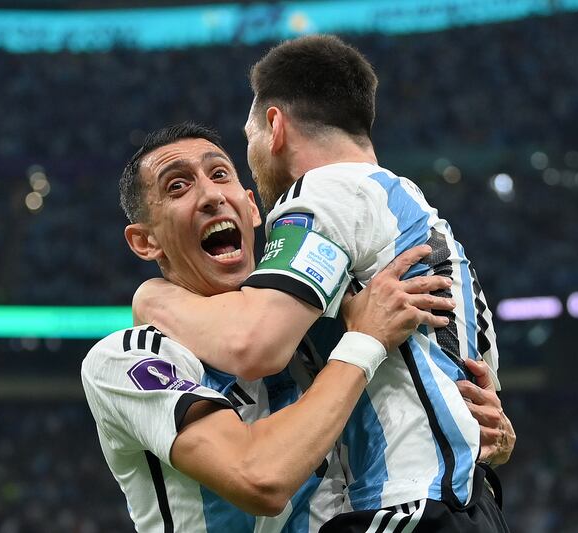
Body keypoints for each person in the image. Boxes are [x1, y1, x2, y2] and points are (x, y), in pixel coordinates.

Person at [136, 36, 514, 531]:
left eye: (243, 145)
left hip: (404, 510)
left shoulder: (323, 192)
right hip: (463, 505)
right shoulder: (410, 212)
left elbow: (255, 345)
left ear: (274, 127)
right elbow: (483, 399)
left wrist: (154, 299)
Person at [81, 123, 459, 532]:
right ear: (144, 242)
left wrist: (470, 429)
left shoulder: (308, 331)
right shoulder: (126, 358)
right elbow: (258, 476)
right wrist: (365, 341)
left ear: (251, 207)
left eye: (220, 174)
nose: (211, 196)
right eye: (177, 187)